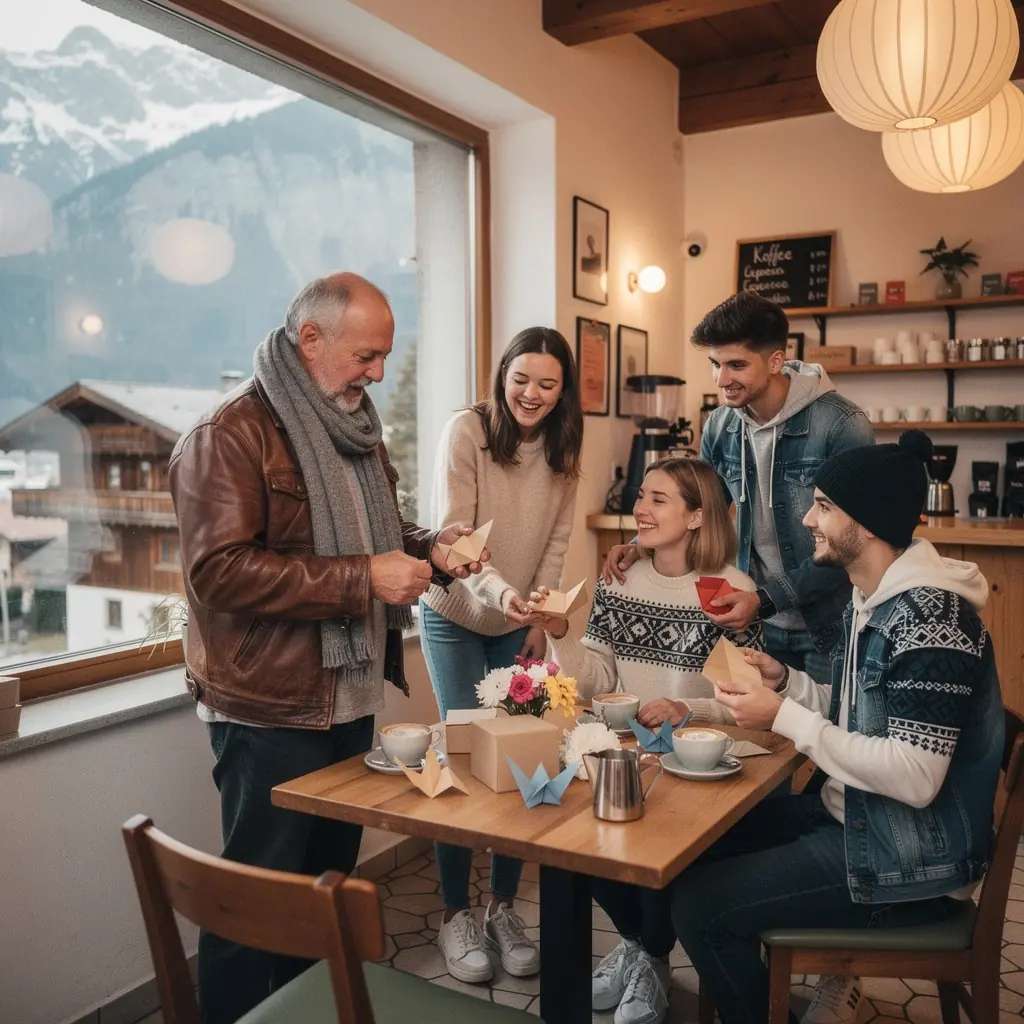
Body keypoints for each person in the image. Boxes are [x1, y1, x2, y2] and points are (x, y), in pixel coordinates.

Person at [169, 273, 486, 1024]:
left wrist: (430, 546)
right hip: (269, 708)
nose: (379, 373)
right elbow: (215, 573)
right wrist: (360, 580)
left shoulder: (351, 427)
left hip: (346, 697)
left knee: (323, 891)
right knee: (256, 906)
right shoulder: (228, 434)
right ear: (310, 340)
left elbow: (376, 533)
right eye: (367, 356)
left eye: (384, 357)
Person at [667, 430, 1003, 1024]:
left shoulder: (931, 619)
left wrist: (786, 719)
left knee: (700, 907)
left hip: (908, 861)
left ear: (867, 524)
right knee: (689, 847)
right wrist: (786, 685)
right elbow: (860, 714)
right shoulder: (872, 596)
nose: (806, 518)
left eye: (823, 506)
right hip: (855, 821)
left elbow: (915, 776)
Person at [526, 455, 764, 1024]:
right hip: (623, 757)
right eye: (641, 496)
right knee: (566, 843)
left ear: (697, 516)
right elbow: (599, 680)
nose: (640, 508)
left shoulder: (732, 590)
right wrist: (561, 634)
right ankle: (643, 952)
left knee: (657, 844)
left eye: (659, 499)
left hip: (697, 766)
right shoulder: (621, 577)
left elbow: (749, 699)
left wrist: (689, 706)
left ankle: (645, 957)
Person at [419, 326, 583, 984]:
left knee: (525, 756)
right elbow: (457, 544)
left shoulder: (566, 442)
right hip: (457, 612)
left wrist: (539, 614)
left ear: (563, 390)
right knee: (461, 759)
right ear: (502, 375)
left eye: (548, 384)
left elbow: (559, 538)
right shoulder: (469, 431)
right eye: (522, 379)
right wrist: (506, 594)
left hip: (519, 622)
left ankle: (503, 907)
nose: (533, 394)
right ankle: (457, 912)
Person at [604, 290, 874, 686]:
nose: (721, 380)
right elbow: (700, 509)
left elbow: (853, 543)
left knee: (825, 740)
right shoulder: (721, 426)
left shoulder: (841, 424)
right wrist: (638, 544)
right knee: (761, 738)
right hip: (755, 622)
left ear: (776, 361)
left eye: (736, 365)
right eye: (715, 364)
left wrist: (764, 600)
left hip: (829, 624)